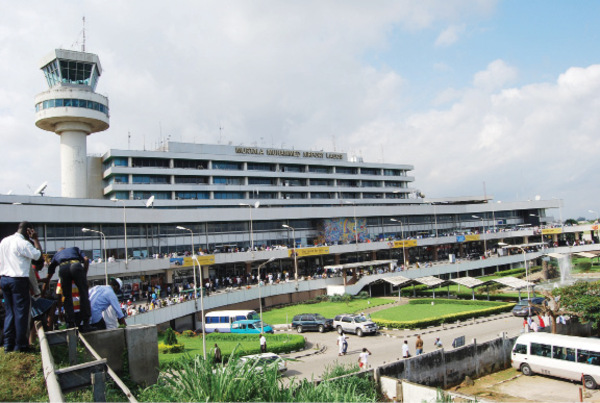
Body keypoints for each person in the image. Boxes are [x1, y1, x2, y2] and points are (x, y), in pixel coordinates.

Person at [0, 221, 42, 352]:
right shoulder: (23, 243)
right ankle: (21, 345)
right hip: (18, 280)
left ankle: (8, 345)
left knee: (10, 312)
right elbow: (38, 255)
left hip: (4, 279)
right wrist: (35, 239)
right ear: (29, 231)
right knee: (21, 313)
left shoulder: (4, 241)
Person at [45, 247, 90, 329]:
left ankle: (71, 322)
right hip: (75, 266)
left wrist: (43, 289)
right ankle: (86, 322)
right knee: (83, 293)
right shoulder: (75, 249)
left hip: (63, 269)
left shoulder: (56, 255)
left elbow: (50, 271)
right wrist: (84, 275)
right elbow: (86, 259)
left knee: (67, 296)